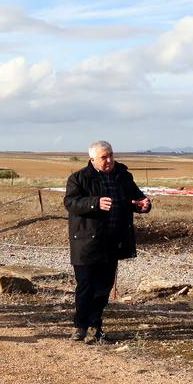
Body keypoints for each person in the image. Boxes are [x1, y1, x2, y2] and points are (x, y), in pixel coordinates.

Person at [64, 140, 151, 343]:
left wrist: (144, 205)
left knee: (104, 287)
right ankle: (80, 326)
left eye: (111, 155)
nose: (109, 160)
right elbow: (70, 202)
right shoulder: (79, 178)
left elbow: (135, 199)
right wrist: (95, 203)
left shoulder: (123, 176)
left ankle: (96, 325)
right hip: (86, 242)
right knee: (86, 285)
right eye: (104, 157)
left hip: (113, 242)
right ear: (92, 158)